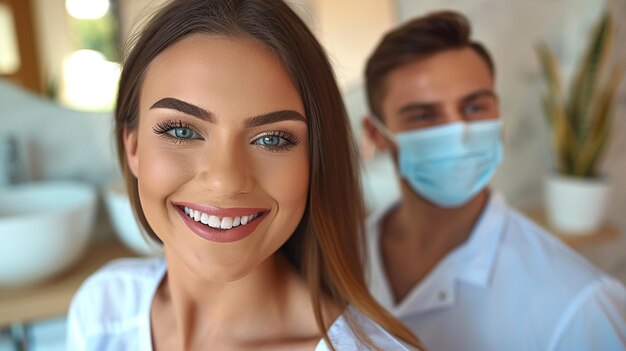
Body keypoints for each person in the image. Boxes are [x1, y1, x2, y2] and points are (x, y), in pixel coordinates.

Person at [66, 1, 424, 350]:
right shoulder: (102, 311)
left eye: (271, 139)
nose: (226, 180)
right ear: (133, 147)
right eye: (182, 131)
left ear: (315, 160)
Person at [362, 10, 626, 351]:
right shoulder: (334, 259)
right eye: (425, 115)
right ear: (375, 133)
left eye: (474, 108)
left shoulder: (580, 305)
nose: (459, 133)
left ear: (497, 112)